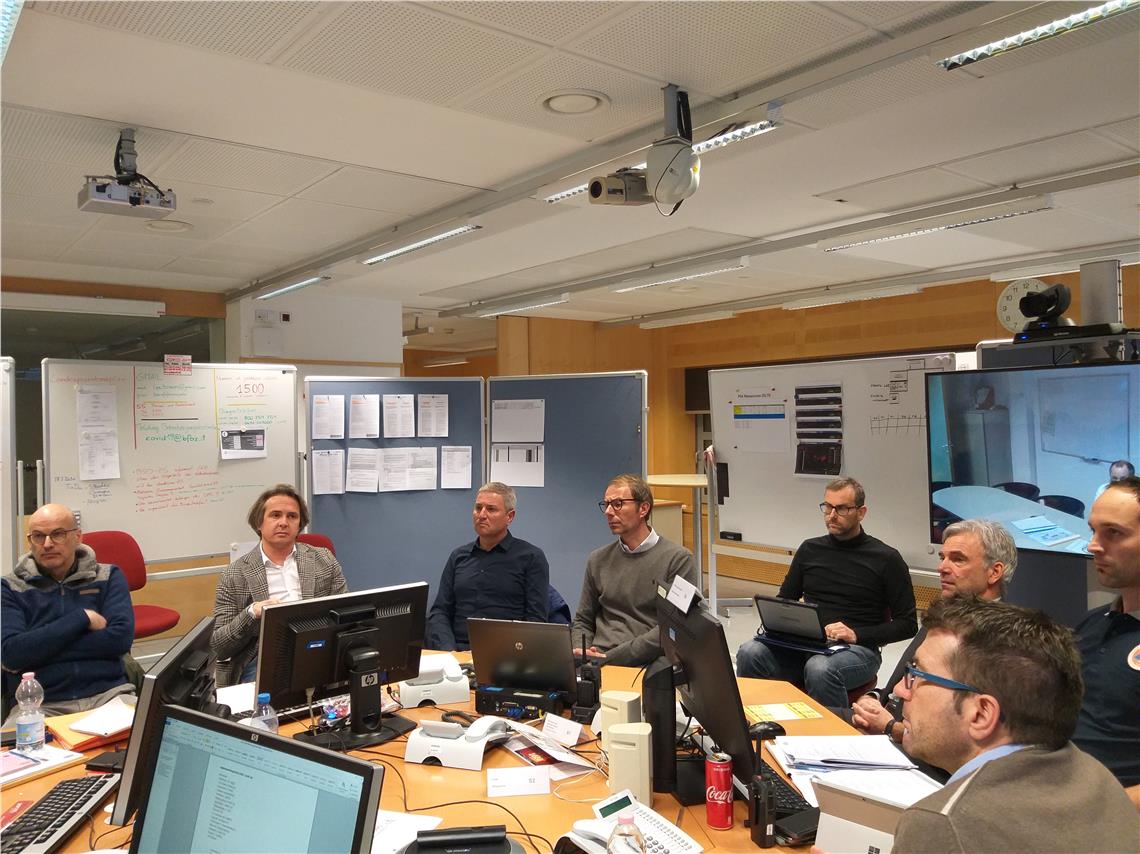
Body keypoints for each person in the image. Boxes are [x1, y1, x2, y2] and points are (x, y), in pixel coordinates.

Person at [890, 597, 1137, 852]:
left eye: (916, 674)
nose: (899, 689)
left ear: (981, 714)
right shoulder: (1099, 779)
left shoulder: (942, 825)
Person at [736, 477, 917, 708]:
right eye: (827, 507)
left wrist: (856, 634)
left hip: (858, 649)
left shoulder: (887, 559)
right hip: (806, 645)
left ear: (861, 512)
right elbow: (785, 600)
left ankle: (831, 730)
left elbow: (908, 625)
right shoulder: (810, 549)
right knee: (749, 652)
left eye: (841, 509)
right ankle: (755, 726)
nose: (831, 515)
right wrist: (783, 622)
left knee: (819, 667)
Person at [850, 519, 1015, 750]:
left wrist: (890, 727)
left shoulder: (1002, 642)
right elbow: (901, 685)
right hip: (883, 721)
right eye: (942, 557)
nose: (942, 568)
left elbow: (964, 741)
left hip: (913, 749)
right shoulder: (943, 617)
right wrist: (874, 698)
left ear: (994, 572)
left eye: (958, 559)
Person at [1, 503, 135, 721]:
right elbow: (12, 655)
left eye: (58, 534)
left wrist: (39, 647)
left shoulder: (108, 576)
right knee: (15, 744)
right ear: (30, 541)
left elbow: (119, 640)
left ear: (77, 537)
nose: (47, 544)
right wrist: (81, 618)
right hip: (40, 704)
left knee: (150, 734)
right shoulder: (10, 587)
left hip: (108, 695)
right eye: (38, 536)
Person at [211, 484, 347, 687]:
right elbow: (219, 646)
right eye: (275, 515)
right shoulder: (234, 575)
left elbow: (346, 613)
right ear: (259, 523)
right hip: (263, 658)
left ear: (300, 524)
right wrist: (251, 613)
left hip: (317, 647)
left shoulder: (324, 560)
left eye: (292, 516)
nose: (284, 522)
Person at [572, 474, 698, 667]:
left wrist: (609, 659)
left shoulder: (678, 560)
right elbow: (583, 619)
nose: (608, 512)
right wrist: (581, 650)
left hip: (646, 662)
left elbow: (671, 629)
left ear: (643, 508)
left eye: (618, 504)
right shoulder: (597, 559)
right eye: (606, 504)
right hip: (597, 660)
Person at [1073, 476, 1140, 808]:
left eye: (1113, 533)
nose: (1093, 546)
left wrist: (1100, 811)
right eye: (1093, 531)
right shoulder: (1091, 623)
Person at [427, 482, 549, 651]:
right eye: (478, 508)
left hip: (506, 653)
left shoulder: (530, 557)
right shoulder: (459, 557)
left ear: (510, 516)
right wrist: (449, 651)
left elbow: (536, 621)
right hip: (457, 652)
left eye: (491, 509)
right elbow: (440, 611)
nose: (482, 515)